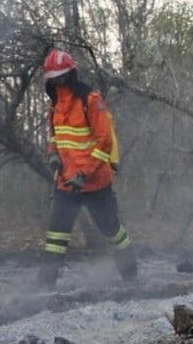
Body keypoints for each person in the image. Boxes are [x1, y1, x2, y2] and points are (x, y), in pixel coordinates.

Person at [37, 48, 136, 287]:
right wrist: (53, 156)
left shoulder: (91, 100)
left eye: (61, 77)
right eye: (53, 78)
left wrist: (85, 173)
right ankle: (45, 284)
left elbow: (104, 141)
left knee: (113, 231)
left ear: (70, 74)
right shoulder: (55, 105)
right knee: (56, 235)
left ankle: (131, 276)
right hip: (66, 181)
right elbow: (55, 136)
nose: (58, 82)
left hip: (94, 182)